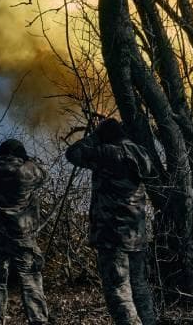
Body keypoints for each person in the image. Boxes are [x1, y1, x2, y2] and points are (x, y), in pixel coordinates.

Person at [66, 118, 157, 325]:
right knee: (139, 288)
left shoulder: (108, 153)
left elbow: (73, 153)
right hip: (136, 234)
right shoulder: (141, 153)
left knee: (118, 292)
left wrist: (93, 137)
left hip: (112, 234)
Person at [0, 139, 50, 325]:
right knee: (31, 282)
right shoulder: (28, 171)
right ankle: (38, 321)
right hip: (22, 236)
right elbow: (44, 174)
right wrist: (28, 160)